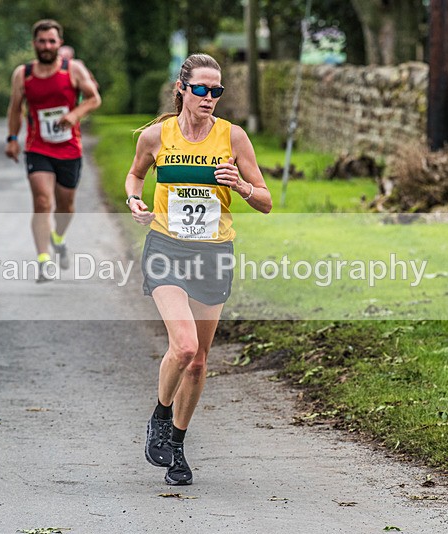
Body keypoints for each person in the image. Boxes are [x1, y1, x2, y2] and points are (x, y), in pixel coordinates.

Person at [124, 53, 272, 485]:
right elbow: (134, 177)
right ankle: (160, 415)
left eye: (217, 91)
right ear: (183, 90)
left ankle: (177, 446)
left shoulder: (234, 138)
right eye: (202, 90)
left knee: (199, 361)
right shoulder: (156, 136)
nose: (210, 98)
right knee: (184, 346)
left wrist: (241, 186)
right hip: (167, 247)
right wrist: (135, 199)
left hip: (213, 253)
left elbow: (264, 200)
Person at [5, 19, 101, 282]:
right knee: (42, 202)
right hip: (38, 147)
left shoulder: (73, 69)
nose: (46, 46)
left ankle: (58, 237)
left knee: (66, 206)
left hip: (69, 148)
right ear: (34, 43)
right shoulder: (23, 74)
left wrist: (75, 114)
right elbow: (15, 108)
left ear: (59, 43)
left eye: (51, 41)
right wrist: (12, 138)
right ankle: (43, 260)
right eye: (41, 41)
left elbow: (94, 98)